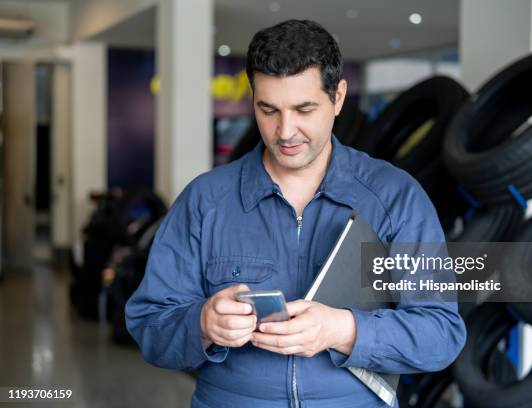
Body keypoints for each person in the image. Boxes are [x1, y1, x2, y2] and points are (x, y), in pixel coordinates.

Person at [125, 19, 466, 408]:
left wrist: (343, 329)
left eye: (304, 109)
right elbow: (148, 326)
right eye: (268, 109)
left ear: (338, 97)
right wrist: (201, 324)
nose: (285, 131)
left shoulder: (395, 198)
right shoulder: (205, 200)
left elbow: (441, 334)